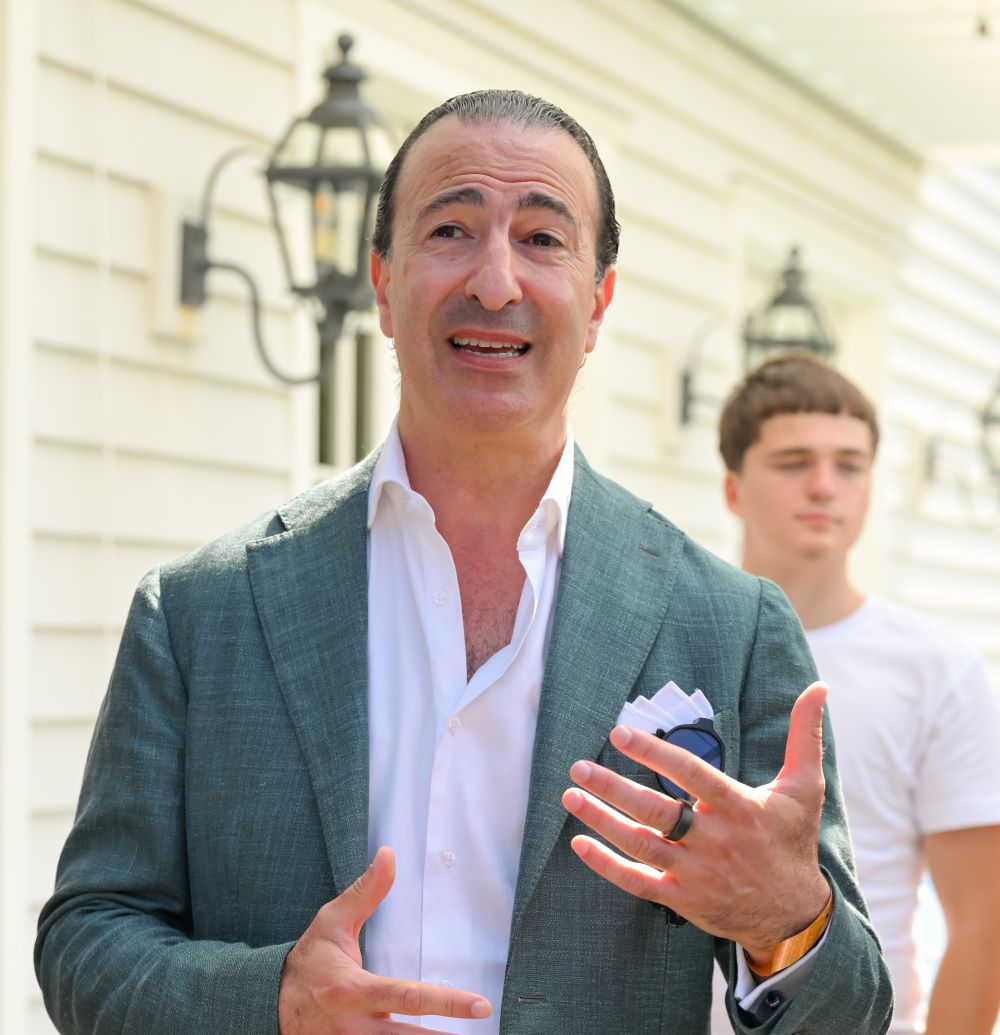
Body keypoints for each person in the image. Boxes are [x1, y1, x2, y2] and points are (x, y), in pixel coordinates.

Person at [36, 91, 891, 1035]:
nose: (494, 281)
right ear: (381, 282)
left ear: (600, 300)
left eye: (541, 238)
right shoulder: (200, 613)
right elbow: (88, 940)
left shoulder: (732, 625)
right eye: (450, 228)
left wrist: (786, 922)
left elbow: (852, 1011)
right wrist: (271, 996)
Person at [716, 354, 1000, 1035]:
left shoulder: (936, 668)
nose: (823, 486)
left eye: (849, 464)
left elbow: (985, 916)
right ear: (733, 488)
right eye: (793, 462)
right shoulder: (671, 641)